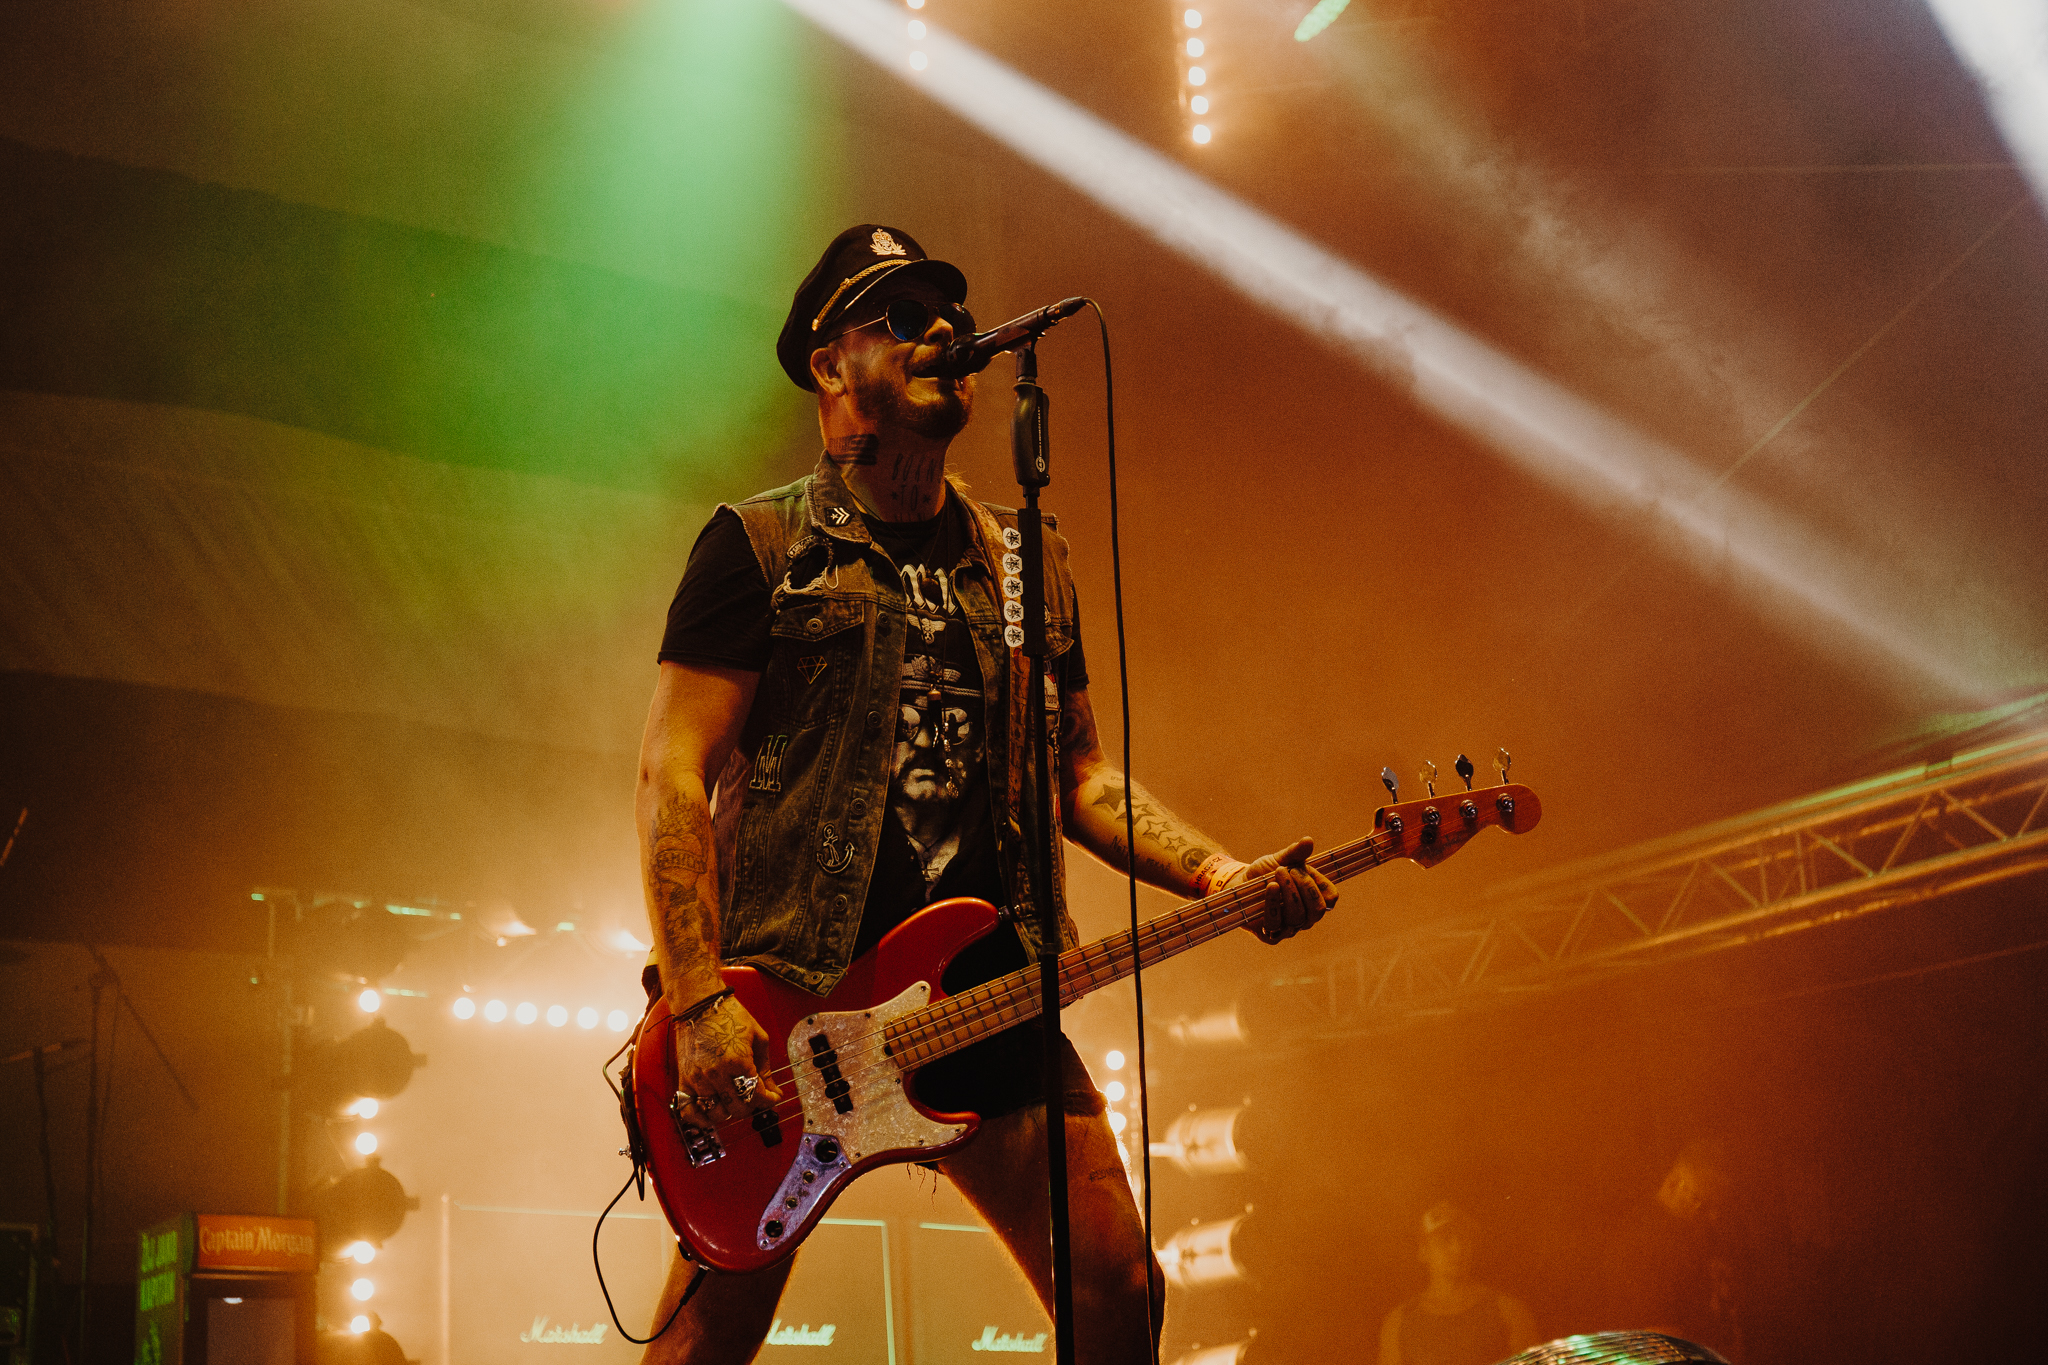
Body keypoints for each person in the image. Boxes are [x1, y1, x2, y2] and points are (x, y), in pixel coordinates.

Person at [633, 224, 1340, 1365]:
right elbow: (674, 772)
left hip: (988, 987)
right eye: (902, 315)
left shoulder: (1028, 560)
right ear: (828, 364)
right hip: (792, 1006)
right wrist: (698, 996)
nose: (944, 332)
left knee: (1118, 1290)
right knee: (702, 1348)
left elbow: (1080, 773)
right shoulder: (758, 546)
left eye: (949, 314)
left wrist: (1219, 874)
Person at [1377, 1203, 1538, 1365]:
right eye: (1444, 1240)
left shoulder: (1508, 1313)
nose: (1458, 1249)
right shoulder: (1399, 1324)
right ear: (1423, 1251)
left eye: (1464, 1239)